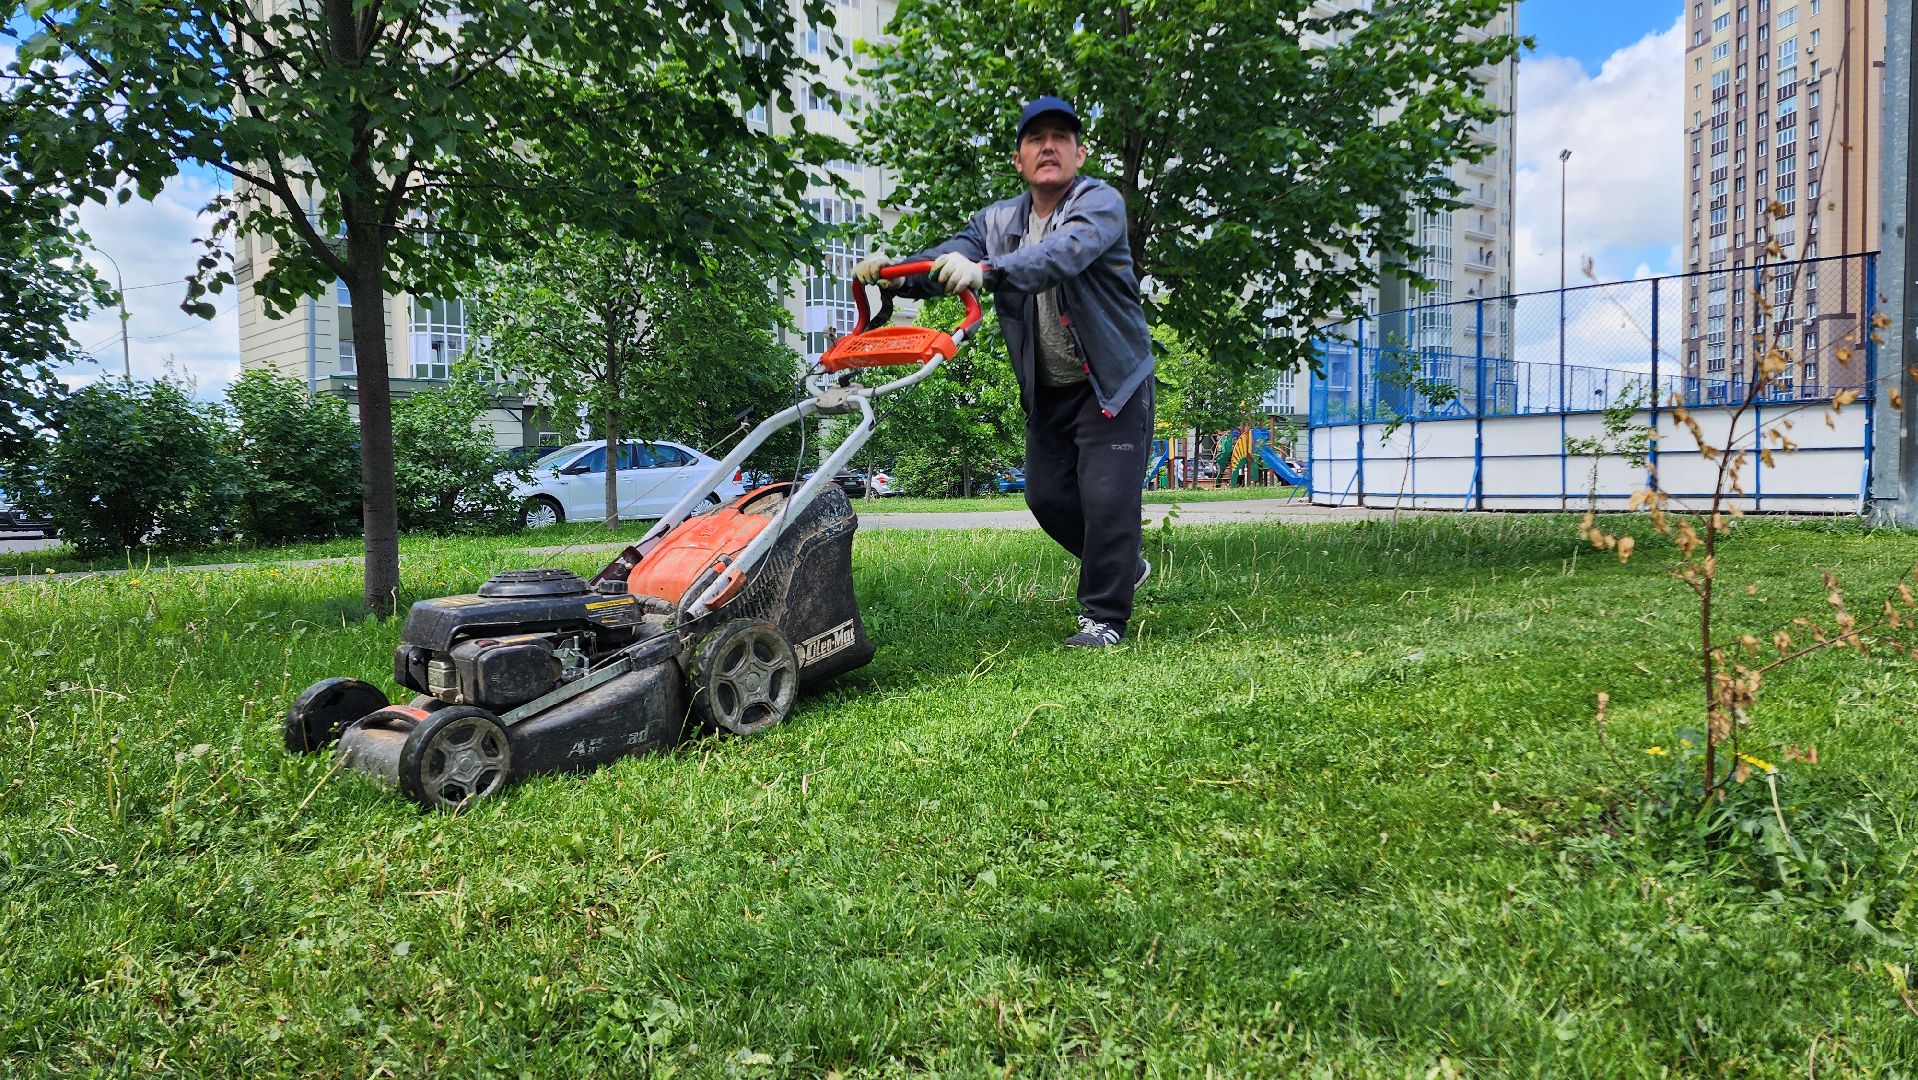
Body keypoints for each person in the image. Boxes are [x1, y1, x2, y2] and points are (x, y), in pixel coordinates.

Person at [855, 96, 1153, 648]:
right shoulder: (995, 222)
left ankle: (1104, 617)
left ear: (1078, 153)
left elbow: (1058, 256)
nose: (1048, 146)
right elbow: (951, 256)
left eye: (1060, 137)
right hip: (1049, 390)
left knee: (1108, 502)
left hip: (1110, 384)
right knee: (1047, 499)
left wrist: (985, 271)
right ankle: (1122, 566)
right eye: (1035, 138)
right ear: (1019, 160)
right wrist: (895, 274)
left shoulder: (1099, 205)